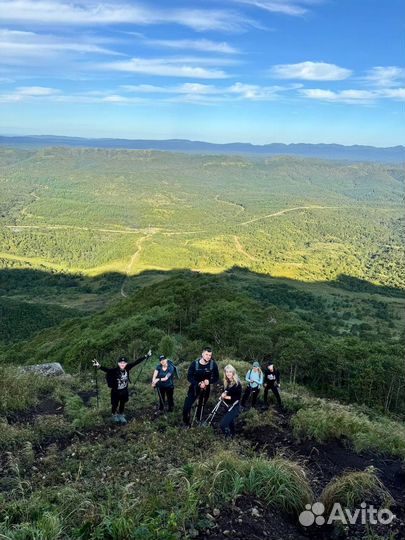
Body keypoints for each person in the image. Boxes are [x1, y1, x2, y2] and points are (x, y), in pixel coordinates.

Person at [93, 349, 152, 424]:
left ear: (126, 363)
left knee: (122, 403)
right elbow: (107, 370)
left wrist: (146, 356)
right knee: (114, 404)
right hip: (115, 391)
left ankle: (121, 414)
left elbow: (136, 362)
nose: (122, 364)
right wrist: (98, 365)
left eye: (124, 363)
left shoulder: (127, 368)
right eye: (121, 363)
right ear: (118, 363)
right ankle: (114, 415)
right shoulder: (115, 370)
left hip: (124, 391)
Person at [182, 347, 219, 427]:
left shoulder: (213, 364)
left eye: (210, 355)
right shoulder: (194, 364)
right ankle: (186, 423)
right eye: (206, 354)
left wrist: (209, 381)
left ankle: (198, 419)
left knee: (201, 405)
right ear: (202, 354)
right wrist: (198, 383)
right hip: (194, 388)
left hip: (206, 389)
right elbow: (189, 377)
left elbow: (216, 377)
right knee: (186, 406)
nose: (208, 357)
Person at [219, 364, 242, 438]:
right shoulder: (226, 382)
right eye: (227, 372)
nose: (228, 373)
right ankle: (233, 435)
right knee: (230, 422)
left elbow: (237, 398)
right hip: (227, 405)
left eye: (230, 372)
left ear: (233, 373)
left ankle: (227, 436)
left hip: (234, 406)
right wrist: (222, 395)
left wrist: (225, 396)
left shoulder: (237, 384)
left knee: (222, 425)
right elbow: (225, 391)